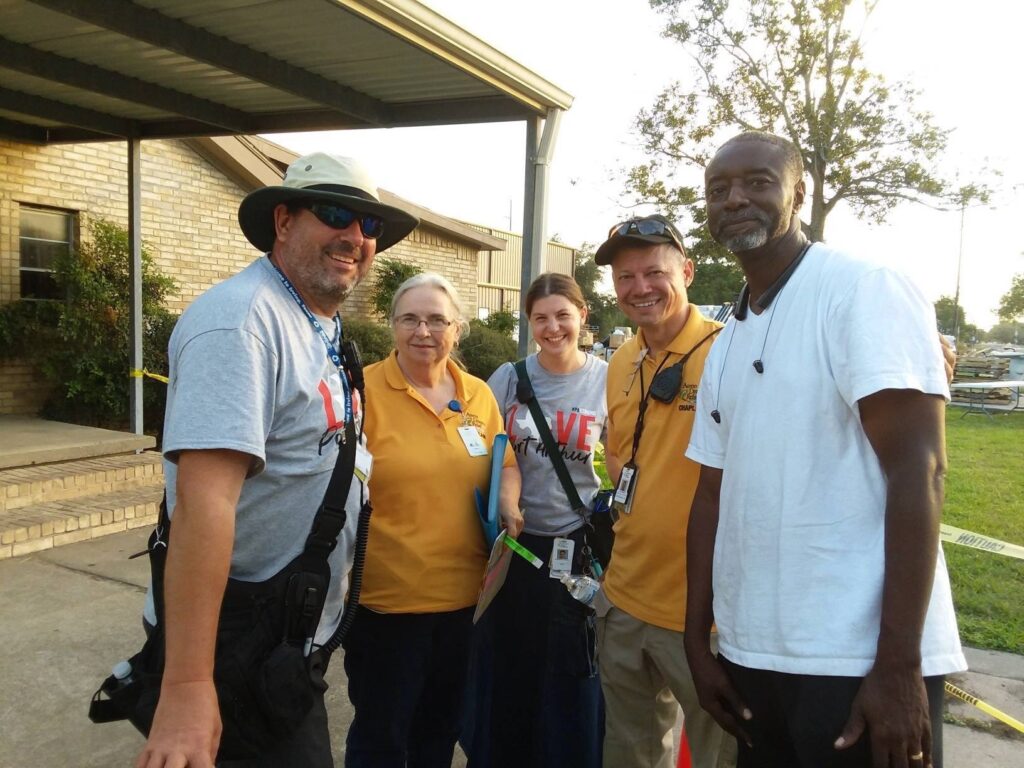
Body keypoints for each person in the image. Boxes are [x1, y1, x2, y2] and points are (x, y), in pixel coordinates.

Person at [684, 131, 966, 768]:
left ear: (798, 193)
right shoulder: (728, 338)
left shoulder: (863, 289)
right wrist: (698, 645)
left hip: (857, 661)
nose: (735, 199)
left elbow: (919, 472)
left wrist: (897, 667)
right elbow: (710, 497)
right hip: (754, 657)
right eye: (718, 189)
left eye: (757, 181)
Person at [136, 153, 419, 767]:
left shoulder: (318, 321)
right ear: (283, 221)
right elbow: (203, 502)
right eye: (337, 213)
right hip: (235, 637)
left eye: (369, 226)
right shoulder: (240, 324)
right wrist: (187, 685)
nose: (356, 237)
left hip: (289, 630)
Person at [343, 273, 523, 768]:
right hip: (385, 604)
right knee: (381, 735)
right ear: (393, 326)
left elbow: (504, 462)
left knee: (439, 732)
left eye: (437, 320)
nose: (423, 331)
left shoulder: (478, 395)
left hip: (465, 602)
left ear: (457, 329)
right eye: (410, 319)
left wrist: (508, 502)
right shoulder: (362, 392)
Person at [594, 215, 732, 768]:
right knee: (630, 753)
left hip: (706, 613)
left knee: (721, 754)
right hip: (624, 598)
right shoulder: (622, 359)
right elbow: (623, 458)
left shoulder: (730, 352)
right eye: (625, 277)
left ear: (688, 272)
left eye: (654, 271)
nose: (640, 287)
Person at [481, 272, 608, 768]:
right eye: (540, 318)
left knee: (572, 670)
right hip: (514, 546)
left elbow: (621, 459)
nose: (553, 327)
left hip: (576, 547)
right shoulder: (509, 378)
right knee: (511, 663)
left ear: (582, 316)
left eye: (563, 315)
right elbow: (489, 453)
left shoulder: (605, 378)